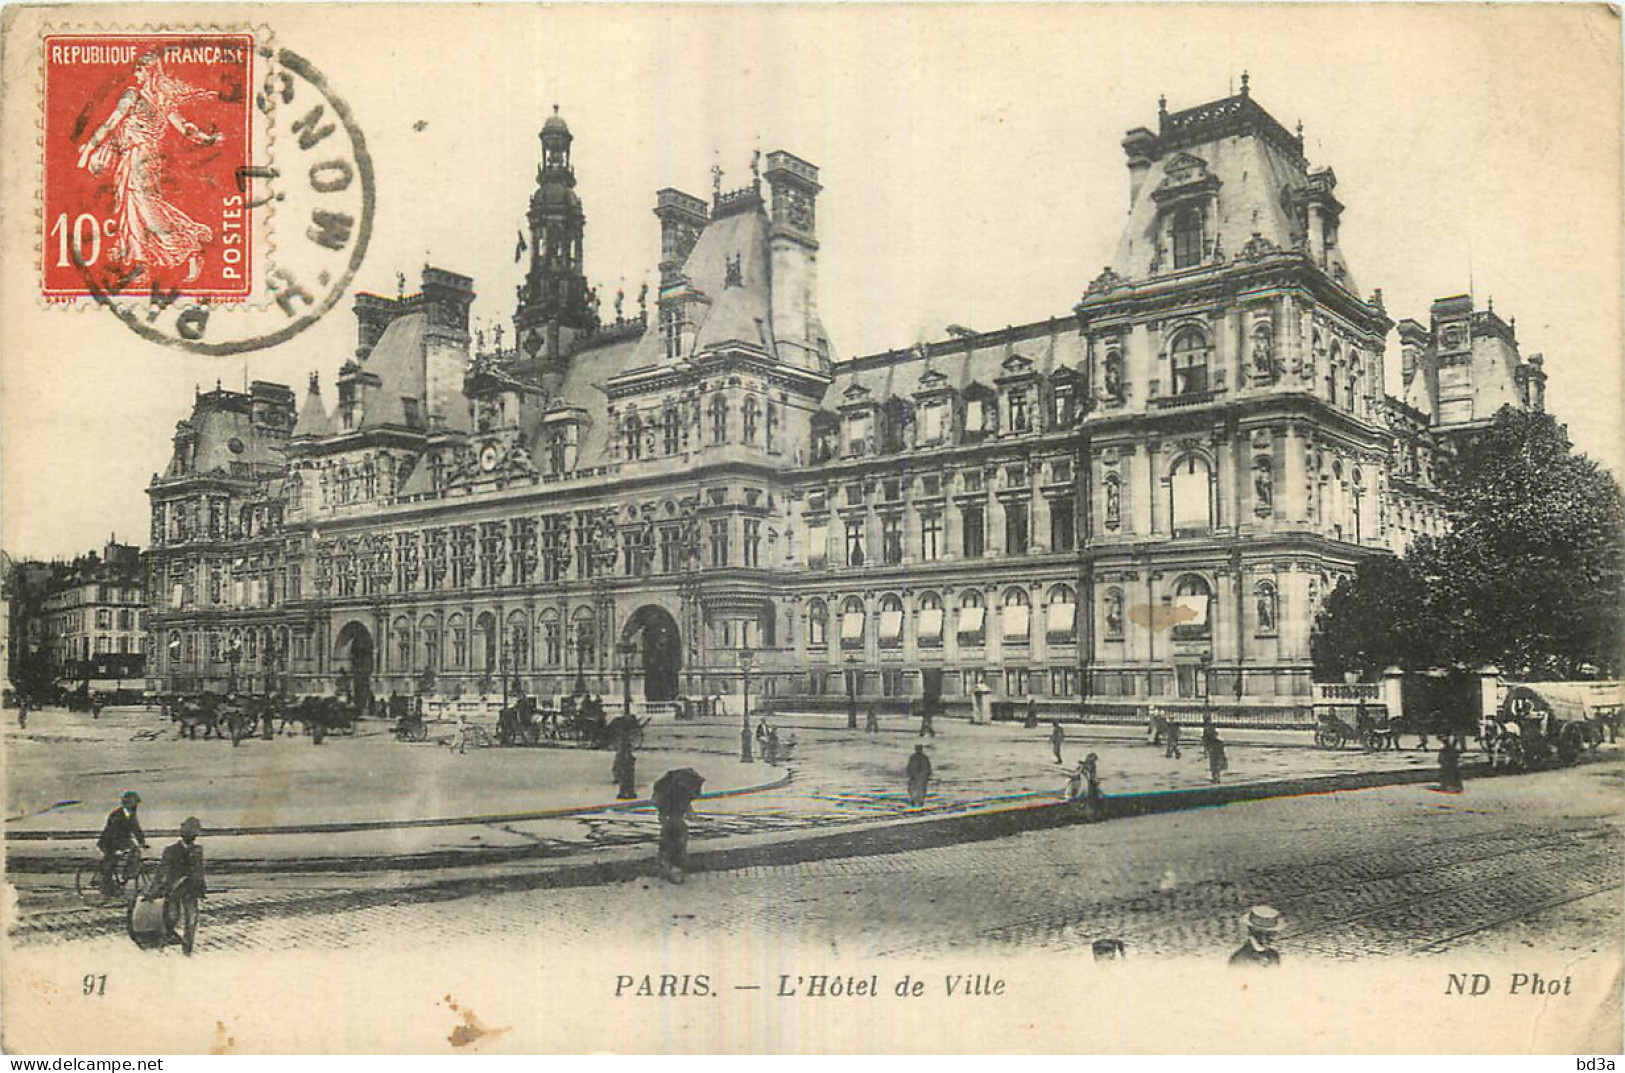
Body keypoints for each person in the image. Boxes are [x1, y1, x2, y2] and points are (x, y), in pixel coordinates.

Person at [146, 817, 207, 955]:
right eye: (190, 831)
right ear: (183, 832)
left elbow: (199, 870)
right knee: (171, 918)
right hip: (174, 890)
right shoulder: (171, 850)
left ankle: (187, 949)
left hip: (191, 890)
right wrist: (154, 889)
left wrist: (202, 888)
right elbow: (162, 871)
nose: (193, 835)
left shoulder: (197, 850)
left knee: (192, 919)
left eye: (195, 832)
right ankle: (163, 943)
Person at [652, 769, 705, 884]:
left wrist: (690, 813)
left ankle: (670, 864)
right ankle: (671, 865)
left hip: (674, 819)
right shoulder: (668, 793)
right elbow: (660, 805)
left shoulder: (682, 792)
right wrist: (665, 816)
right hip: (671, 818)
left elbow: (686, 805)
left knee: (676, 840)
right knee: (673, 841)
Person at [97, 791, 148, 892]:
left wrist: (142, 841)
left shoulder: (131, 814)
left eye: (136, 803)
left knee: (135, 851)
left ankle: (128, 873)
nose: (135, 805)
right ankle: (105, 885)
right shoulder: (116, 815)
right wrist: (116, 849)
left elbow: (136, 829)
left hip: (123, 840)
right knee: (111, 862)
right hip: (109, 842)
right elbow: (112, 833)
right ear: (127, 803)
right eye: (134, 803)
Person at [612, 735, 638, 800]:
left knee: (625, 774)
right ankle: (628, 791)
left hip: (624, 758)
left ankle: (625, 791)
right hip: (626, 758)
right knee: (628, 774)